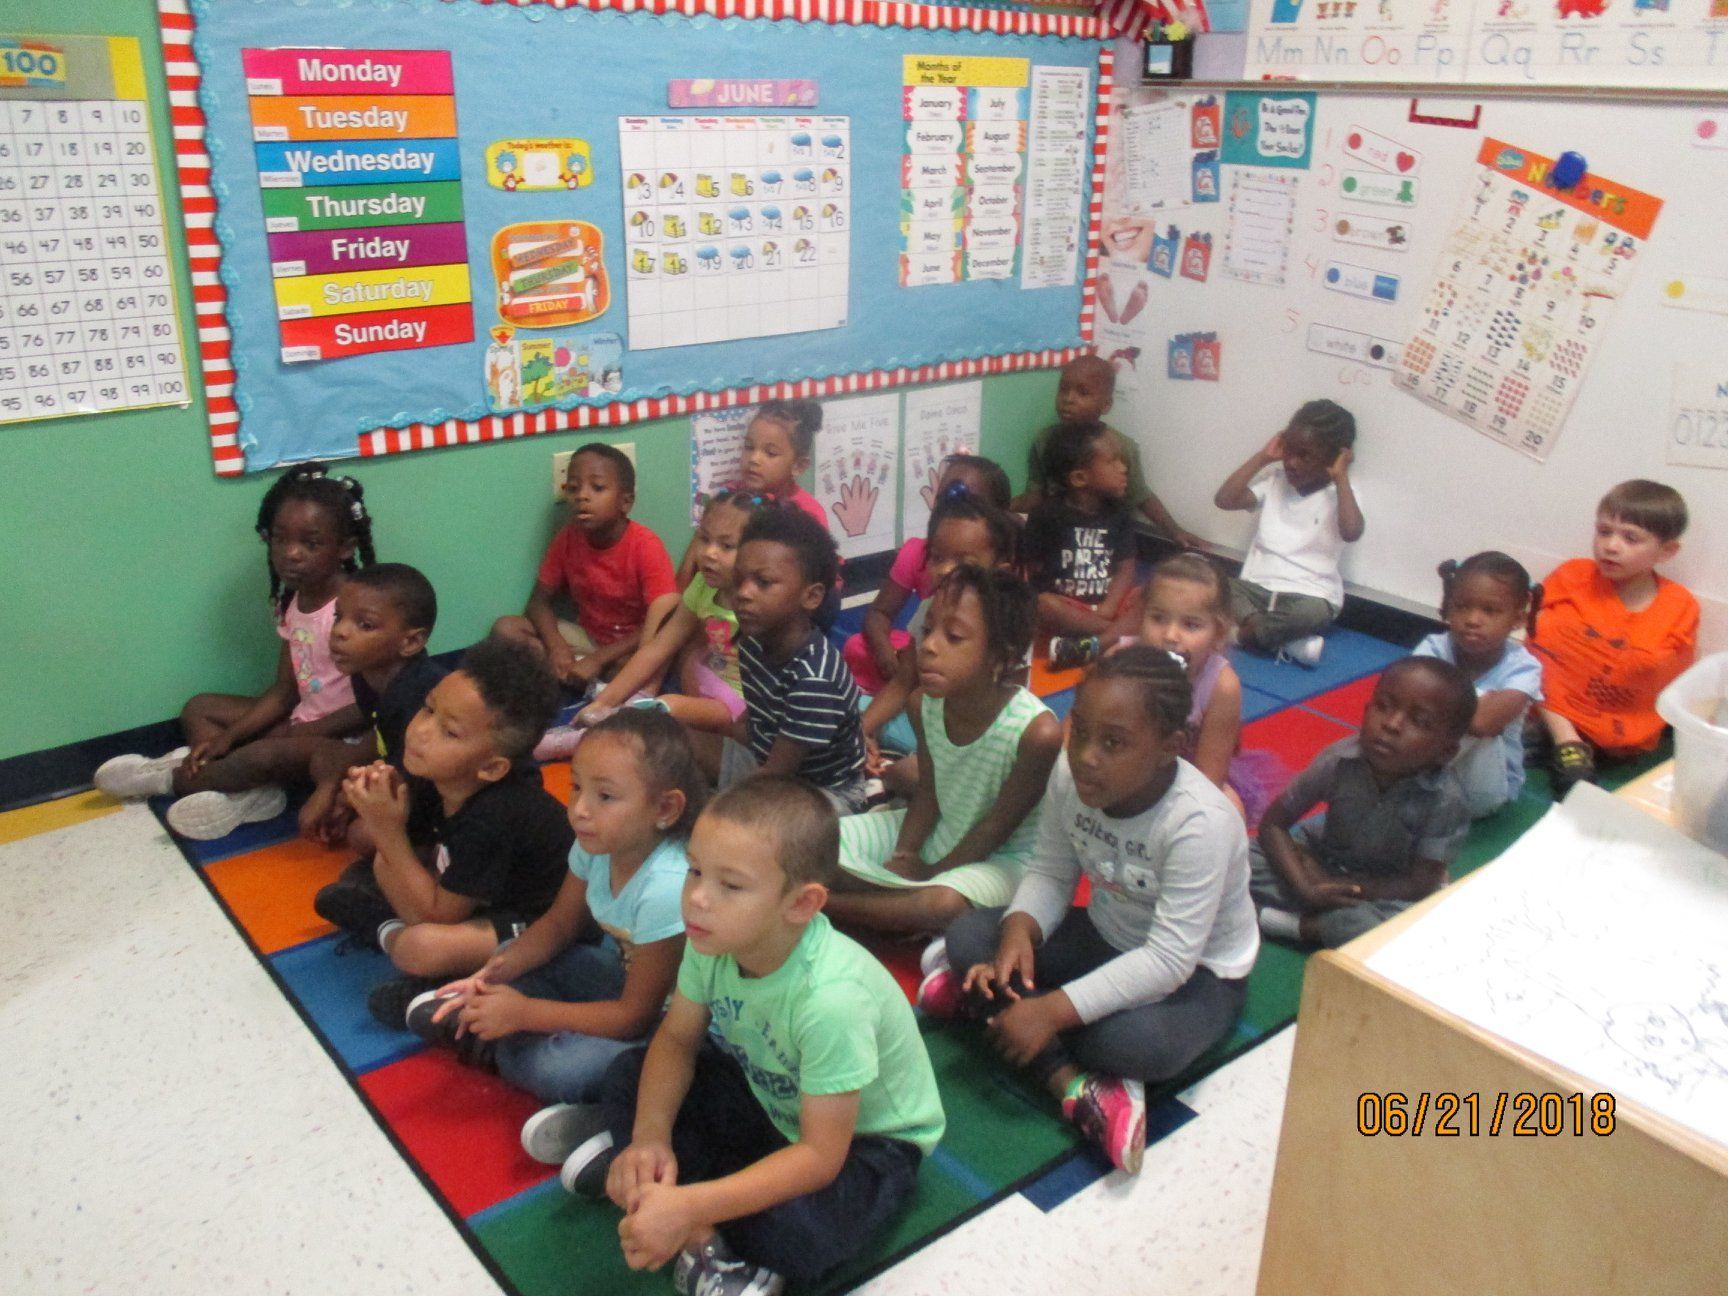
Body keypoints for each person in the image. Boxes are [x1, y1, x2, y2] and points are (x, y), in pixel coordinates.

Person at [526, 777, 944, 1296]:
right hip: (772, 1100)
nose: (697, 898)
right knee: (632, 1072)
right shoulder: (714, 941)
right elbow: (677, 1041)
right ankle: (648, 1170)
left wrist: (690, 1211)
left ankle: (680, 1212)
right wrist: (650, 1137)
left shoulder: (831, 999)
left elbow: (819, 1157)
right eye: (695, 870)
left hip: (865, 1142)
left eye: (731, 885)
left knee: (802, 1236)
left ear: (800, 904)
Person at [925, 648, 1259, 1174]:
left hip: (1200, 974)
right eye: (1080, 731)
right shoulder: (1069, 775)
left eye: (1114, 743)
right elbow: (1053, 873)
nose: (1086, 756)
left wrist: (1050, 1010)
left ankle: (994, 1009)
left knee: (1126, 1044)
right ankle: (1071, 1083)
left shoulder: (1200, 824)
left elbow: (1169, 961)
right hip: (1106, 935)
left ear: (1169, 748)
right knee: (970, 935)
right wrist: (1019, 932)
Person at [406, 709, 704, 1166]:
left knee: (558, 1067)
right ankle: (483, 1021)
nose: (581, 808)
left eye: (605, 796)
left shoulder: (666, 885)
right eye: (576, 786)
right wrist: (490, 975)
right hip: (624, 982)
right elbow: (559, 926)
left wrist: (525, 1012)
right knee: (512, 955)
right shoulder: (596, 845)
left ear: (665, 809)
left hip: (677, 1028)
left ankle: (601, 1105)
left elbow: (634, 1017)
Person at [95, 464, 377, 840]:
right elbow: (284, 691)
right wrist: (230, 737)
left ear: (344, 547)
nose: (291, 554)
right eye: (280, 540)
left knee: (262, 753)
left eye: (310, 544)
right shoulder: (295, 602)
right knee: (201, 710)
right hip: (301, 721)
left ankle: (170, 778)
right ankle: (250, 794)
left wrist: (303, 731)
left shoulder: (355, 609)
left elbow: (375, 702)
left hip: (345, 740)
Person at [313, 637, 572, 1018]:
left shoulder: (496, 816)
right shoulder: (437, 769)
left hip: (538, 921)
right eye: (428, 708)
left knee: (419, 946)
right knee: (381, 855)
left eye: (449, 732)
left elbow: (438, 917)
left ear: (491, 767)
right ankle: (396, 928)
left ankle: (390, 937)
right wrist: (372, 796)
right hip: (476, 892)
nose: (420, 731)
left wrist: (388, 832)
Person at [826, 567, 1062, 936]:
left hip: (1005, 860)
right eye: (927, 630)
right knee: (818, 840)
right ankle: (887, 909)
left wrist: (934, 872)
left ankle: (825, 904)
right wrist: (903, 856)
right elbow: (930, 793)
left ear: (1001, 655)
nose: (930, 646)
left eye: (953, 636)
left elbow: (997, 826)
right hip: (942, 829)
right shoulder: (923, 705)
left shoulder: (1035, 732)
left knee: (943, 904)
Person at [1250, 657, 1474, 948]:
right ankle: (1316, 913)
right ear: (1366, 710)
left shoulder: (1446, 800)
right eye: (1384, 706)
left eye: (1418, 721)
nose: (1392, 724)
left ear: (1446, 751)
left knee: (1403, 928)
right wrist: (1306, 886)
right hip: (1322, 864)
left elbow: (1419, 883)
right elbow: (1273, 825)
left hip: (1385, 892)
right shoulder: (1338, 760)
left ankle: (1299, 927)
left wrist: (1345, 890)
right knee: (1240, 857)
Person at [536, 490, 768, 765]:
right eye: (704, 539)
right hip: (708, 677)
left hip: (739, 706)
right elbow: (659, 647)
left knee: (670, 706)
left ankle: (588, 735)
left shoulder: (759, 604)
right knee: (677, 632)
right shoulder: (704, 585)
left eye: (726, 546)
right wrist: (605, 701)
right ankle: (630, 706)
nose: (709, 554)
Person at [1528, 480, 1698, 797]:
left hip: (1620, 730)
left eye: (1630, 538)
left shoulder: (1679, 605)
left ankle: (1582, 746)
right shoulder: (1573, 576)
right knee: (1547, 630)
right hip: (1551, 715)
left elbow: (1661, 674)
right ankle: (1567, 742)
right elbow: (1536, 649)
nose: (1611, 546)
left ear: (1667, 550)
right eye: (1604, 532)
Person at [858, 492, 1020, 789]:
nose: (945, 569)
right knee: (854, 713)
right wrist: (861, 732)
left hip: (979, 744)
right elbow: (903, 682)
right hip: (929, 723)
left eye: (964, 561)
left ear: (999, 570)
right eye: (937, 557)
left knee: (905, 776)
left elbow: (1010, 713)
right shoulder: (927, 611)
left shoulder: (1006, 628)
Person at [493, 442, 680, 694]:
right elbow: (538, 603)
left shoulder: (645, 546)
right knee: (507, 629)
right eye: (573, 487)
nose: (582, 496)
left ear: (625, 501)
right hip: (587, 638)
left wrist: (600, 659)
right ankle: (577, 674)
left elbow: (662, 624)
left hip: (629, 646)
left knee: (635, 668)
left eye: (598, 487)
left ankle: (586, 678)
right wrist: (556, 646)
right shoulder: (568, 538)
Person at [725, 505, 866, 812]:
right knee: (680, 746)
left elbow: (777, 776)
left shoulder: (814, 678)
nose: (744, 593)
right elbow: (756, 715)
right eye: (739, 580)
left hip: (823, 792)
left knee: (757, 831)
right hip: (768, 763)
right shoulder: (752, 641)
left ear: (811, 596)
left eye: (763, 582)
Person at [1126, 552, 1282, 826]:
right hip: (1123, 769)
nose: (1170, 636)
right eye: (1158, 618)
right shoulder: (1119, 664)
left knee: (1229, 810)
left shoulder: (1221, 686)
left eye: (1191, 625)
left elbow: (1208, 779)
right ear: (1141, 616)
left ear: (1218, 634)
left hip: (1186, 778)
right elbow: (1073, 742)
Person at [299, 563, 446, 850]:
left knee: (362, 836)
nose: (340, 632)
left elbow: (419, 777)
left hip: (440, 790)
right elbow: (384, 739)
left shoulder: (421, 696)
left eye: (364, 625)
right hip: (404, 768)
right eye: (338, 617)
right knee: (326, 757)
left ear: (411, 641)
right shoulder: (366, 675)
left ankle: (430, 858)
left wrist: (351, 799)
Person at [844, 452, 1012, 694]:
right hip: (924, 651)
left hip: (970, 676)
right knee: (856, 646)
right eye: (946, 497)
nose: (945, 568)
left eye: (967, 502)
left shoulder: (1003, 577)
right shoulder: (919, 554)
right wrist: (887, 657)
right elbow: (879, 613)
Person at [1213, 399, 1362, 667]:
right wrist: (1262, 458)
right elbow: (1224, 500)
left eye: (1304, 455)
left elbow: (1351, 532)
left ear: (1333, 458)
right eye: (1288, 451)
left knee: (1310, 614)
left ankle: (1239, 636)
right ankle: (1287, 642)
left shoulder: (1340, 495)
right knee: (1214, 586)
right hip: (1255, 590)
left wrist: (1341, 478)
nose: (1291, 463)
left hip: (1308, 595)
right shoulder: (1274, 483)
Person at [1009, 355, 1199, 549]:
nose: (1069, 400)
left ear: (1106, 404)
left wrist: (1175, 531)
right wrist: (998, 507)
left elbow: (1140, 495)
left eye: (1083, 393)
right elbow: (1035, 494)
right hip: (1057, 537)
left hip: (1103, 540)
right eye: (1063, 390)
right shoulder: (1044, 440)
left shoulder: (1121, 446)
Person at [1413, 553, 1544, 817]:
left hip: (1482, 789)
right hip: (1426, 765)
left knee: (1474, 721)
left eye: (1490, 611)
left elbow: (1482, 723)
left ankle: (1403, 782)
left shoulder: (1524, 667)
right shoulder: (1434, 647)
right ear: (1448, 607)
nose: (1473, 619)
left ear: (1517, 619)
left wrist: (1434, 702)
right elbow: (1409, 701)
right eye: (1462, 606)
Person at [1022, 418, 1142, 667]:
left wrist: (1108, 607)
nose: (1123, 468)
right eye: (1113, 461)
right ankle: (1115, 636)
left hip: (1110, 605)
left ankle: (1091, 645)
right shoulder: (1046, 514)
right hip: (1067, 609)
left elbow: (1126, 567)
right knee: (1043, 605)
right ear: (1079, 478)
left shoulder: (1120, 513)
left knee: (1153, 595)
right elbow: (1031, 568)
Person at [676, 400, 828, 586]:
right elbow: (690, 566)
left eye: (770, 453)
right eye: (749, 447)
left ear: (798, 465)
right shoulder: (730, 498)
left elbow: (818, 578)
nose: (754, 459)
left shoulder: (806, 513)